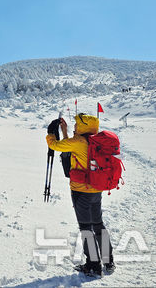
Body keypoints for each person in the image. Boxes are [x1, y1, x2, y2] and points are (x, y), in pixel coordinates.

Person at [46, 113, 115, 276]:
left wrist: (50, 132)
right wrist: (65, 131)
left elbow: (56, 146)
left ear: (83, 126)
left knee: (86, 228)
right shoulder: (94, 141)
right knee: (98, 224)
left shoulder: (78, 141)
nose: (75, 126)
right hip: (96, 189)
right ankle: (108, 260)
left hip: (80, 191)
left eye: (77, 124)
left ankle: (93, 265)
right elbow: (71, 147)